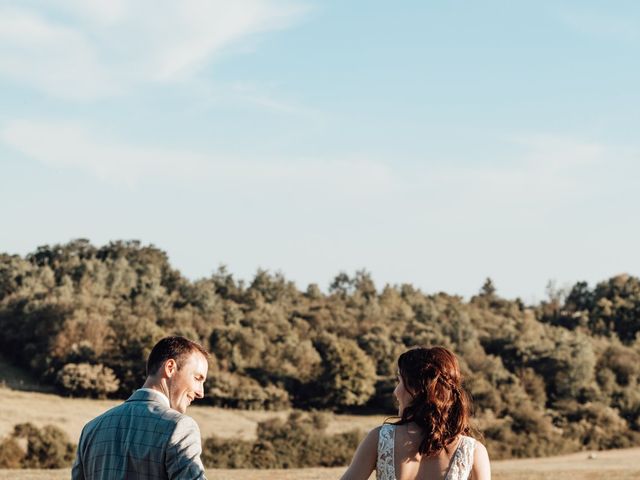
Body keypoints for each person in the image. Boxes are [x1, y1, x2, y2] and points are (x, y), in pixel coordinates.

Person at [340, 346, 491, 480]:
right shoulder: (474, 452)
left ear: (416, 390)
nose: (395, 391)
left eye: (399, 381)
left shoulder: (379, 439)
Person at [72, 336, 210, 480]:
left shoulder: (91, 429)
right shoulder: (180, 427)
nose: (201, 392)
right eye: (198, 378)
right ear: (170, 368)